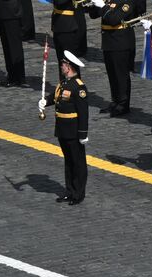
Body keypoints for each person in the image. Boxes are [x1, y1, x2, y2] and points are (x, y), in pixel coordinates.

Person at [40, 53, 90, 205]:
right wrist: (45, 101)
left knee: (78, 162)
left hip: (74, 131)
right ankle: (69, 191)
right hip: (62, 130)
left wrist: (83, 133)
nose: (61, 67)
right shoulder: (63, 84)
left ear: (69, 67)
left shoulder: (79, 87)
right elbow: (56, 97)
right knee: (68, 162)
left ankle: (78, 193)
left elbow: (83, 113)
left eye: (63, 64)